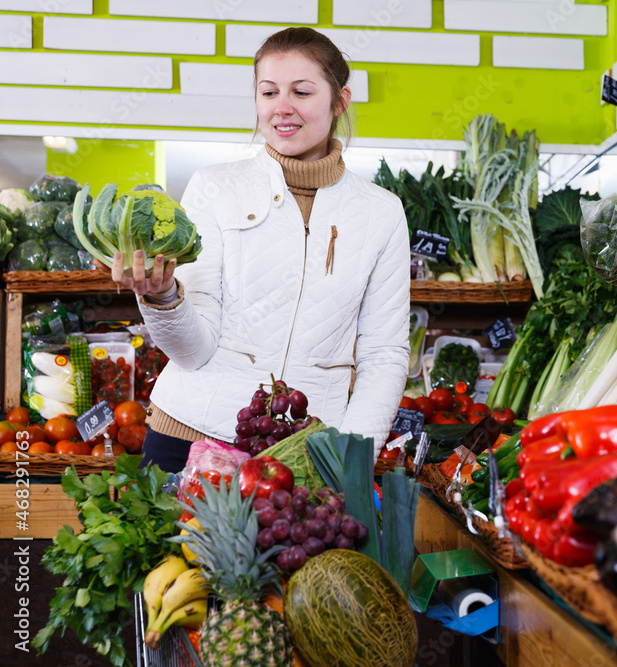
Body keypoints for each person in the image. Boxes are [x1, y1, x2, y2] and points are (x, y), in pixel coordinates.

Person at [103, 27, 410, 473]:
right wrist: (163, 296)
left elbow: (384, 354)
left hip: (306, 452)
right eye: (269, 92)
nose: (282, 108)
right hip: (188, 437)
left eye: (301, 92)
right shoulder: (215, 187)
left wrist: (350, 454)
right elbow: (193, 352)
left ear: (340, 101)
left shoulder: (381, 213)